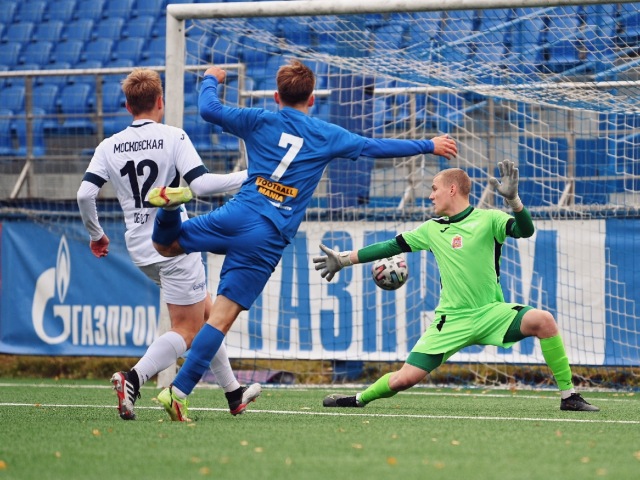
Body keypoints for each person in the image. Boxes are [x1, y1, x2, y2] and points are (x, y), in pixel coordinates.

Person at [148, 59, 458, 421]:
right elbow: (375, 146)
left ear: (277, 96)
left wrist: (210, 79)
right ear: (312, 99)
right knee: (219, 320)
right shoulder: (326, 134)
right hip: (266, 236)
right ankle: (179, 392)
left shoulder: (258, 118)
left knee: (167, 246)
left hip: (237, 213)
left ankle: (168, 209)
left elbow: (208, 109)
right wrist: (427, 144)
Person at [314, 161, 600, 412]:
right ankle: (357, 399)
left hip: (490, 313)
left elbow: (526, 231)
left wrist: (514, 201)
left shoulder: (490, 219)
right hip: (450, 320)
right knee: (404, 379)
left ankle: (569, 396)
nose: (430, 195)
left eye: (434, 188)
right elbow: (389, 246)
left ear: (452, 189)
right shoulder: (431, 228)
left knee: (544, 321)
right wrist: (343, 259)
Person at [77, 68, 261, 421]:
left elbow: (86, 193)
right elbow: (203, 185)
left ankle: (233, 393)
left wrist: (96, 234)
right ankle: (133, 378)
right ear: (160, 101)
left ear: (128, 105)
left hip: (139, 249)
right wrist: (250, 178)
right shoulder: (173, 137)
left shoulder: (108, 145)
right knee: (189, 329)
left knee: (208, 314)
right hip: (174, 243)